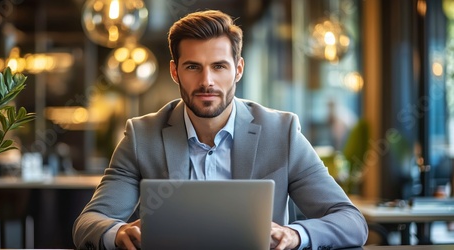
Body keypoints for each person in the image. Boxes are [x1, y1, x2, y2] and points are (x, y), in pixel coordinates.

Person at [73, 9, 368, 250]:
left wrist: (295, 235)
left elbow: (350, 221)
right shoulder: (141, 136)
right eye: (193, 67)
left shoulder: (282, 132)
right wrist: (118, 232)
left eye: (219, 66)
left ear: (238, 69)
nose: (207, 82)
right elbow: (89, 222)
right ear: (175, 71)